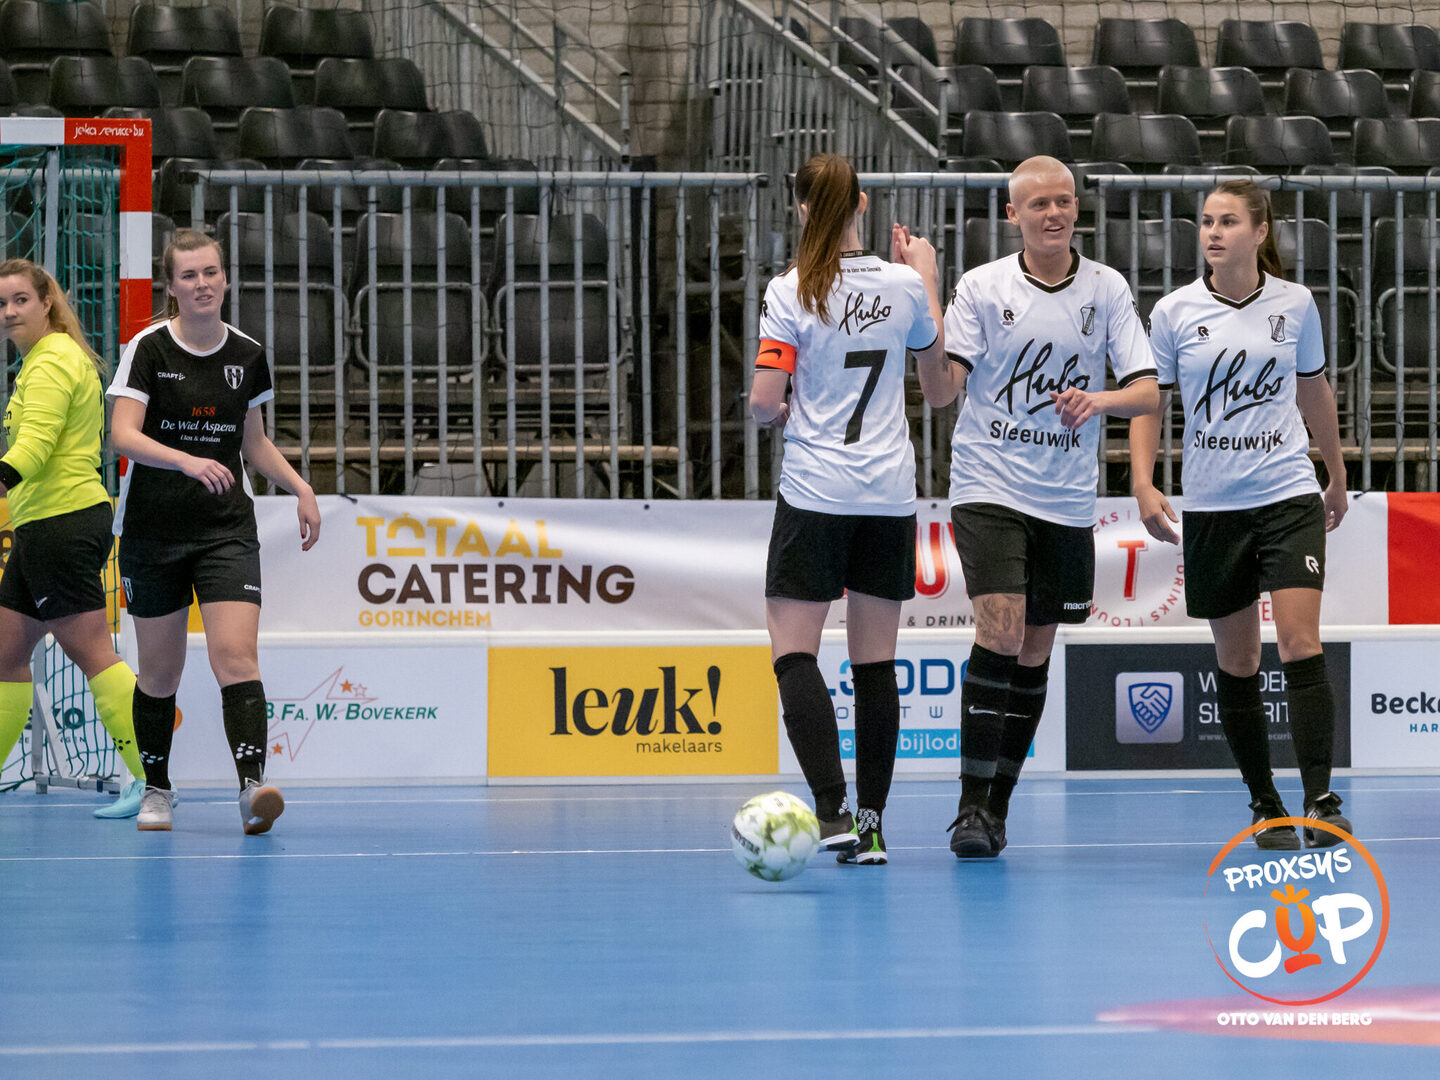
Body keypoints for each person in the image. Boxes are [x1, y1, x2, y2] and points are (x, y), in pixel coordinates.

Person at [923, 156, 1160, 859]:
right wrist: (927, 290)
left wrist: (1099, 399)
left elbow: (1146, 391)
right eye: (1038, 205)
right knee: (1000, 630)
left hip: (1065, 497)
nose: (1053, 214)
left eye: (1063, 201)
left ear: (1076, 208)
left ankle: (996, 809)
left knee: (1034, 648)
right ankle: (969, 806)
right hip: (989, 484)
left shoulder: (1106, 288)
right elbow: (942, 391)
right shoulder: (982, 287)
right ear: (1013, 215)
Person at [1130, 179, 1350, 851]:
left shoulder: (1296, 303)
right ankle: (1265, 803)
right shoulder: (1173, 312)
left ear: (1260, 231)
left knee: (1300, 642)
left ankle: (1321, 799)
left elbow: (1313, 389)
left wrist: (1336, 472)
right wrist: (1142, 481)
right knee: (1240, 658)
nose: (1213, 232)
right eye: (1206, 222)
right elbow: (1150, 400)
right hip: (1214, 505)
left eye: (1228, 221)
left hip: (1287, 495)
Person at [751, 153, 946, 865]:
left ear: (803, 209)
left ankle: (830, 809)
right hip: (888, 494)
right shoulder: (904, 286)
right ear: (863, 204)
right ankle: (872, 826)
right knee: (875, 666)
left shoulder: (791, 289)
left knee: (795, 653)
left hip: (817, 491)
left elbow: (764, 403)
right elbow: (941, 389)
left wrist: (779, 411)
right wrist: (927, 275)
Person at [107, 229, 321, 834]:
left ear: (225, 278)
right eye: (189, 276)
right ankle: (156, 790)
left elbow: (254, 443)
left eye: (210, 273)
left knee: (236, 656)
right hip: (153, 531)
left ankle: (253, 789)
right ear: (171, 287)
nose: (202, 284)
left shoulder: (247, 354)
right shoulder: (149, 348)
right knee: (160, 672)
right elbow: (122, 435)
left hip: (226, 531)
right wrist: (186, 460)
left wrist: (301, 488)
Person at [0, 259, 147, 816]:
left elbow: (34, 447)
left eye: (20, 300)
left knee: (93, 655)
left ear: (47, 303)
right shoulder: (46, 359)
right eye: (1, 303)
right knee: (5, 655)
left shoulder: (53, 360)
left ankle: (151, 779)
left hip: (60, 523)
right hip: (40, 525)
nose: (9, 312)